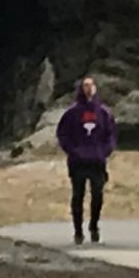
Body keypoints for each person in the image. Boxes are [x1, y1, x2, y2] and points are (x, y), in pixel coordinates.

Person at [57, 76, 117, 244]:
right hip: (78, 162)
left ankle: (94, 226)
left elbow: (111, 134)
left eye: (91, 85)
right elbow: (63, 134)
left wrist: (104, 151)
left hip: (97, 161)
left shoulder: (104, 113)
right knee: (78, 195)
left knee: (97, 194)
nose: (88, 89)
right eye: (85, 85)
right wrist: (73, 151)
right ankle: (78, 231)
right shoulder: (72, 113)